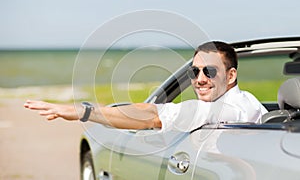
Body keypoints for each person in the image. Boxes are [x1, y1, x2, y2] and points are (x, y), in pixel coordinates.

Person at [24, 41, 268, 132]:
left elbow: (151, 114)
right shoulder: (251, 103)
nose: (200, 79)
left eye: (210, 71)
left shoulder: (221, 111)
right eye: (194, 71)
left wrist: (84, 112)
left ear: (231, 75)